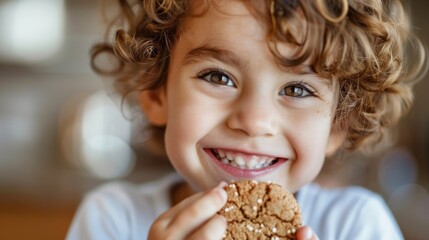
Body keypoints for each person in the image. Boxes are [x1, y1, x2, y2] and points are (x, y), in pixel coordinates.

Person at [67, 0, 427, 239]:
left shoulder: (356, 225)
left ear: (338, 124)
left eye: (298, 90)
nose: (254, 121)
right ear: (157, 93)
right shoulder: (110, 219)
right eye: (218, 77)